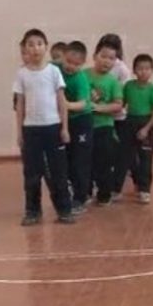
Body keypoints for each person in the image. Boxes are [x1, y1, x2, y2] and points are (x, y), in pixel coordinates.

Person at [14, 29, 74, 226]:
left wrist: (64, 128)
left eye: (39, 43)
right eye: (30, 44)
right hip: (31, 130)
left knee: (58, 172)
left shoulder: (54, 72)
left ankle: (64, 210)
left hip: (53, 127)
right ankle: (33, 211)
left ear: (46, 47)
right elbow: (20, 104)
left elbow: (61, 102)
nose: (35, 48)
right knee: (31, 174)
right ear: (25, 48)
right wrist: (19, 132)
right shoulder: (22, 74)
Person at [119, 54, 153, 204]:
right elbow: (121, 103)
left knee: (146, 158)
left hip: (146, 123)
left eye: (147, 69)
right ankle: (119, 188)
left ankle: (145, 190)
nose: (143, 72)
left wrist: (146, 128)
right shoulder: (128, 86)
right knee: (126, 156)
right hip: (129, 122)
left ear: (152, 70)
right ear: (134, 70)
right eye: (140, 68)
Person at [87, 40, 124, 206]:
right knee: (84, 161)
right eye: (103, 56)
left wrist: (99, 108)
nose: (107, 61)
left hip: (104, 127)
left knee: (104, 162)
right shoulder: (83, 75)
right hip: (84, 126)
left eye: (111, 58)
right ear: (95, 56)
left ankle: (104, 195)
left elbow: (118, 105)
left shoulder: (113, 82)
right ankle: (85, 193)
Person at [61, 41, 93, 215]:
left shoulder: (81, 79)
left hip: (81, 121)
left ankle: (81, 198)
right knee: (65, 160)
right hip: (64, 121)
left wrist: (65, 105)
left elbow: (82, 103)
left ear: (82, 64)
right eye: (68, 61)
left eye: (76, 64)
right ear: (62, 57)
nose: (70, 66)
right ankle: (69, 194)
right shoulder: (55, 69)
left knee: (79, 160)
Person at [100, 33, 133, 200]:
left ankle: (116, 187)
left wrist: (115, 106)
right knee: (105, 153)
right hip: (102, 117)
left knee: (121, 154)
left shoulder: (122, 69)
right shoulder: (99, 65)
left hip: (118, 117)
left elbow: (124, 94)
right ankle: (103, 185)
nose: (107, 59)